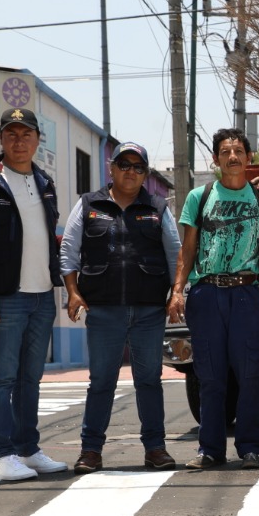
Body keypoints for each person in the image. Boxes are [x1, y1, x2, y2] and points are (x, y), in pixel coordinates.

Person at [0, 108, 69, 483]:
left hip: (41, 297)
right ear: (1, 139)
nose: (19, 141)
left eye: (26, 135)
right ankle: (2, 455)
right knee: (3, 378)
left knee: (30, 379)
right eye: (12, 134)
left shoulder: (45, 182)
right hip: (6, 297)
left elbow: (46, 238)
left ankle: (28, 449)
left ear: (37, 140)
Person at [60, 141, 181, 473]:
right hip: (104, 309)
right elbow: (69, 249)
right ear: (111, 168)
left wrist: (176, 294)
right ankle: (90, 451)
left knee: (149, 380)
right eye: (124, 165)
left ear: (145, 174)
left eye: (138, 167)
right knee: (101, 381)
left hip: (149, 311)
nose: (131, 172)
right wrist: (73, 292)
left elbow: (175, 252)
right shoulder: (88, 204)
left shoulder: (158, 206)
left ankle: (155, 448)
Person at [166, 128, 259, 469]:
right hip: (206, 292)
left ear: (248, 158)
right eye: (225, 152)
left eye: (238, 151)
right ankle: (210, 450)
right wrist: (177, 290)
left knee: (249, 374)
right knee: (209, 376)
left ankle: (251, 448)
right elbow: (188, 248)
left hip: (246, 293)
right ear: (215, 159)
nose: (232, 157)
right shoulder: (200, 196)